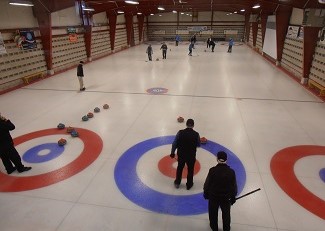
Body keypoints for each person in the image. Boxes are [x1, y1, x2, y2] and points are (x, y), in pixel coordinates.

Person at [203, 151, 237, 231]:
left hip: (213, 197)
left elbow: (207, 184)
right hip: (226, 198)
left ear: (217, 159)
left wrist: (206, 193)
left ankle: (214, 227)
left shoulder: (212, 170)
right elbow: (234, 186)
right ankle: (226, 228)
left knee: (213, 213)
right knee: (226, 215)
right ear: (226, 159)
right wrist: (233, 197)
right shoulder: (231, 172)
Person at [170, 119, 200, 190]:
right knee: (190, 169)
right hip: (191, 156)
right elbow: (198, 144)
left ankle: (177, 183)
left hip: (181, 155)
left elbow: (174, 143)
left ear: (186, 124)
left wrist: (172, 153)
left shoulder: (180, 133)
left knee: (180, 168)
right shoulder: (196, 134)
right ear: (193, 125)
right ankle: (189, 185)